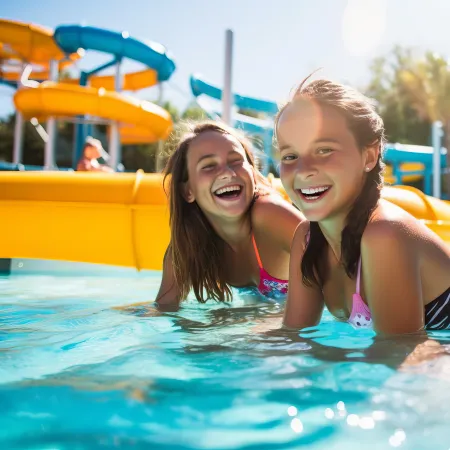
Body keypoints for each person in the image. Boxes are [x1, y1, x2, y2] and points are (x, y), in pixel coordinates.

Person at [276, 77, 450, 335]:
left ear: (368, 156)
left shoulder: (384, 234)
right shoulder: (307, 238)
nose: (303, 170)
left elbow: (396, 357)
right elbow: (293, 336)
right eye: (290, 156)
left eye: (324, 150)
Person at [155, 121, 305, 308]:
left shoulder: (269, 214)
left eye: (235, 161)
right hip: (266, 315)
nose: (227, 173)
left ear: (251, 171)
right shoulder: (190, 244)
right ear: (188, 191)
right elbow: (163, 308)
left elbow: (336, 263)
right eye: (209, 165)